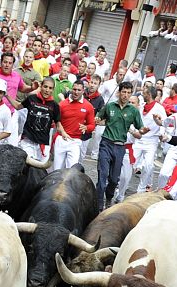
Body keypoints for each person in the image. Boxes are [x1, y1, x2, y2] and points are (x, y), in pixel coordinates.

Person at [94, 81, 146, 210]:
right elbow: (99, 118)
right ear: (119, 92)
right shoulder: (110, 106)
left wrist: (143, 131)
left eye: (128, 93)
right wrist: (97, 119)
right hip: (106, 144)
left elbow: (140, 128)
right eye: (124, 92)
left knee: (113, 179)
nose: (126, 95)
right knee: (102, 176)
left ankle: (109, 198)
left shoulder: (133, 111)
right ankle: (98, 205)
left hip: (120, 147)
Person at [15, 76, 59, 163]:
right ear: (41, 86)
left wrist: (65, 134)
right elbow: (18, 106)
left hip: (42, 144)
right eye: (45, 87)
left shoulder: (55, 105)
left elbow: (58, 124)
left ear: (53, 90)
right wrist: (6, 95)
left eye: (50, 88)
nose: (47, 90)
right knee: (26, 165)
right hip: (27, 141)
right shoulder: (31, 98)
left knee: (40, 168)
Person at [54, 79, 94, 169]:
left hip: (75, 141)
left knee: (71, 170)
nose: (76, 92)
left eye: (79, 90)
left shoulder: (88, 106)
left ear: (83, 91)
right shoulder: (62, 104)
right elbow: (56, 121)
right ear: (71, 89)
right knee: (57, 169)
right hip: (61, 139)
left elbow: (92, 125)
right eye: (74, 89)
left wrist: (86, 128)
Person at [132, 85, 165, 192]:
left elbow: (164, 123)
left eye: (145, 93)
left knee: (148, 166)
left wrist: (161, 134)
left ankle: (141, 189)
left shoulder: (159, 108)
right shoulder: (142, 106)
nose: (142, 95)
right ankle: (120, 185)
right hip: (139, 139)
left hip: (151, 141)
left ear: (149, 95)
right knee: (130, 163)